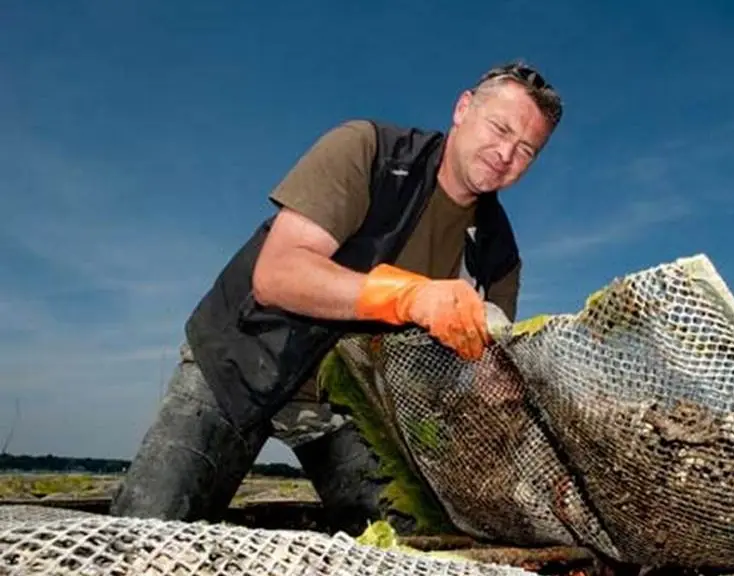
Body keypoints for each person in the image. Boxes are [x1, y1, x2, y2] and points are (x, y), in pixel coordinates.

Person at [109, 60, 563, 536]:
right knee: (148, 537)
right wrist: (409, 296)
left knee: (410, 545)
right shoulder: (370, 151)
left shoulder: (499, 252)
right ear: (463, 108)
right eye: (499, 127)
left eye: (526, 150)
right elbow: (279, 273)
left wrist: (503, 391)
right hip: (243, 363)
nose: (506, 153)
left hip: (352, 410)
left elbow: (487, 368)